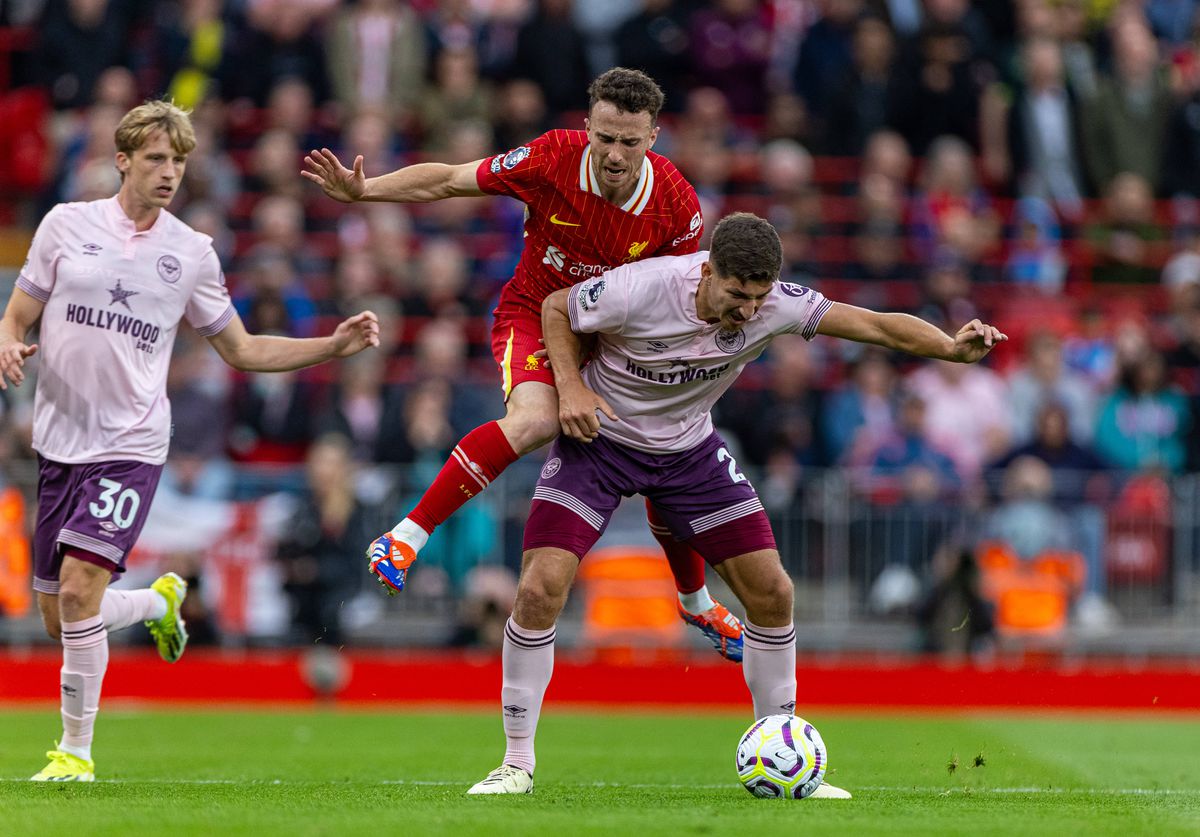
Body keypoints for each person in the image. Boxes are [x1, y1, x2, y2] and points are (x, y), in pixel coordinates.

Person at [454, 212, 1004, 795]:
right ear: (708, 270)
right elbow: (559, 307)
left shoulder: (777, 305)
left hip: (689, 453)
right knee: (539, 588)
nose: (747, 311)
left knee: (773, 592)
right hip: (602, 441)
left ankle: (786, 749)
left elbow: (875, 325)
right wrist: (570, 387)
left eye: (758, 297)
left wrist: (948, 347)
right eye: (738, 295)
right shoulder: (647, 285)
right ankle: (516, 764)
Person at [305, 67, 745, 660]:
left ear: (654, 137)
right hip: (534, 316)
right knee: (536, 421)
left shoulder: (677, 207)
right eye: (605, 137)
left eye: (630, 141)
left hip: (617, 341)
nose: (615, 155)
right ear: (587, 124)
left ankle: (695, 603)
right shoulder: (550, 157)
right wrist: (367, 190)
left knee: (664, 447)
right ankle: (406, 536)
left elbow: (673, 302)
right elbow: (450, 181)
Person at [0, 100, 380, 782]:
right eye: (154, 158)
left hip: (132, 444)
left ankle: (74, 754)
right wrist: (6, 342)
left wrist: (332, 344)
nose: (169, 171)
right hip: (59, 444)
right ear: (123, 159)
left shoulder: (191, 252)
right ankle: (157, 601)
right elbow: (20, 310)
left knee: (83, 589)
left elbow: (241, 348)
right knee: (59, 618)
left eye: (177, 160)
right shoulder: (65, 226)